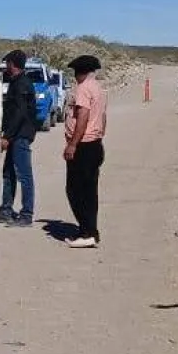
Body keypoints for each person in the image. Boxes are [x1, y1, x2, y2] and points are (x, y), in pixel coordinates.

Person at [62, 54, 107, 248]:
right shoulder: (98, 88)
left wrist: (73, 144)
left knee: (75, 190)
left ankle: (87, 231)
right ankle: (89, 230)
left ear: (80, 72)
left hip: (83, 146)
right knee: (89, 190)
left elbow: (83, 117)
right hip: (95, 143)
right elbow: (103, 117)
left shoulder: (83, 89)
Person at [0, 49, 38, 227]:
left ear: (12, 64)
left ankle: (26, 214)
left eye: (7, 63)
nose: (6, 66)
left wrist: (8, 136)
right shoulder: (16, 82)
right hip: (16, 134)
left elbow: (20, 113)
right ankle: (6, 209)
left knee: (24, 175)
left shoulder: (22, 84)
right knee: (8, 174)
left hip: (20, 135)